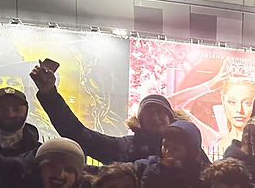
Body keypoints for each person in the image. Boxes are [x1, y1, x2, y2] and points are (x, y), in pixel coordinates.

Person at [32, 63, 184, 164]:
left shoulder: (187, 146)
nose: (155, 118)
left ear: (170, 118)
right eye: (149, 113)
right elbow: (78, 133)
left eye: (160, 113)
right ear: (140, 121)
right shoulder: (124, 147)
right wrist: (49, 95)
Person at [0, 86, 40, 160]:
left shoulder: (40, 154)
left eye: (16, 109)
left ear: (26, 112)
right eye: (3, 108)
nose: (10, 114)